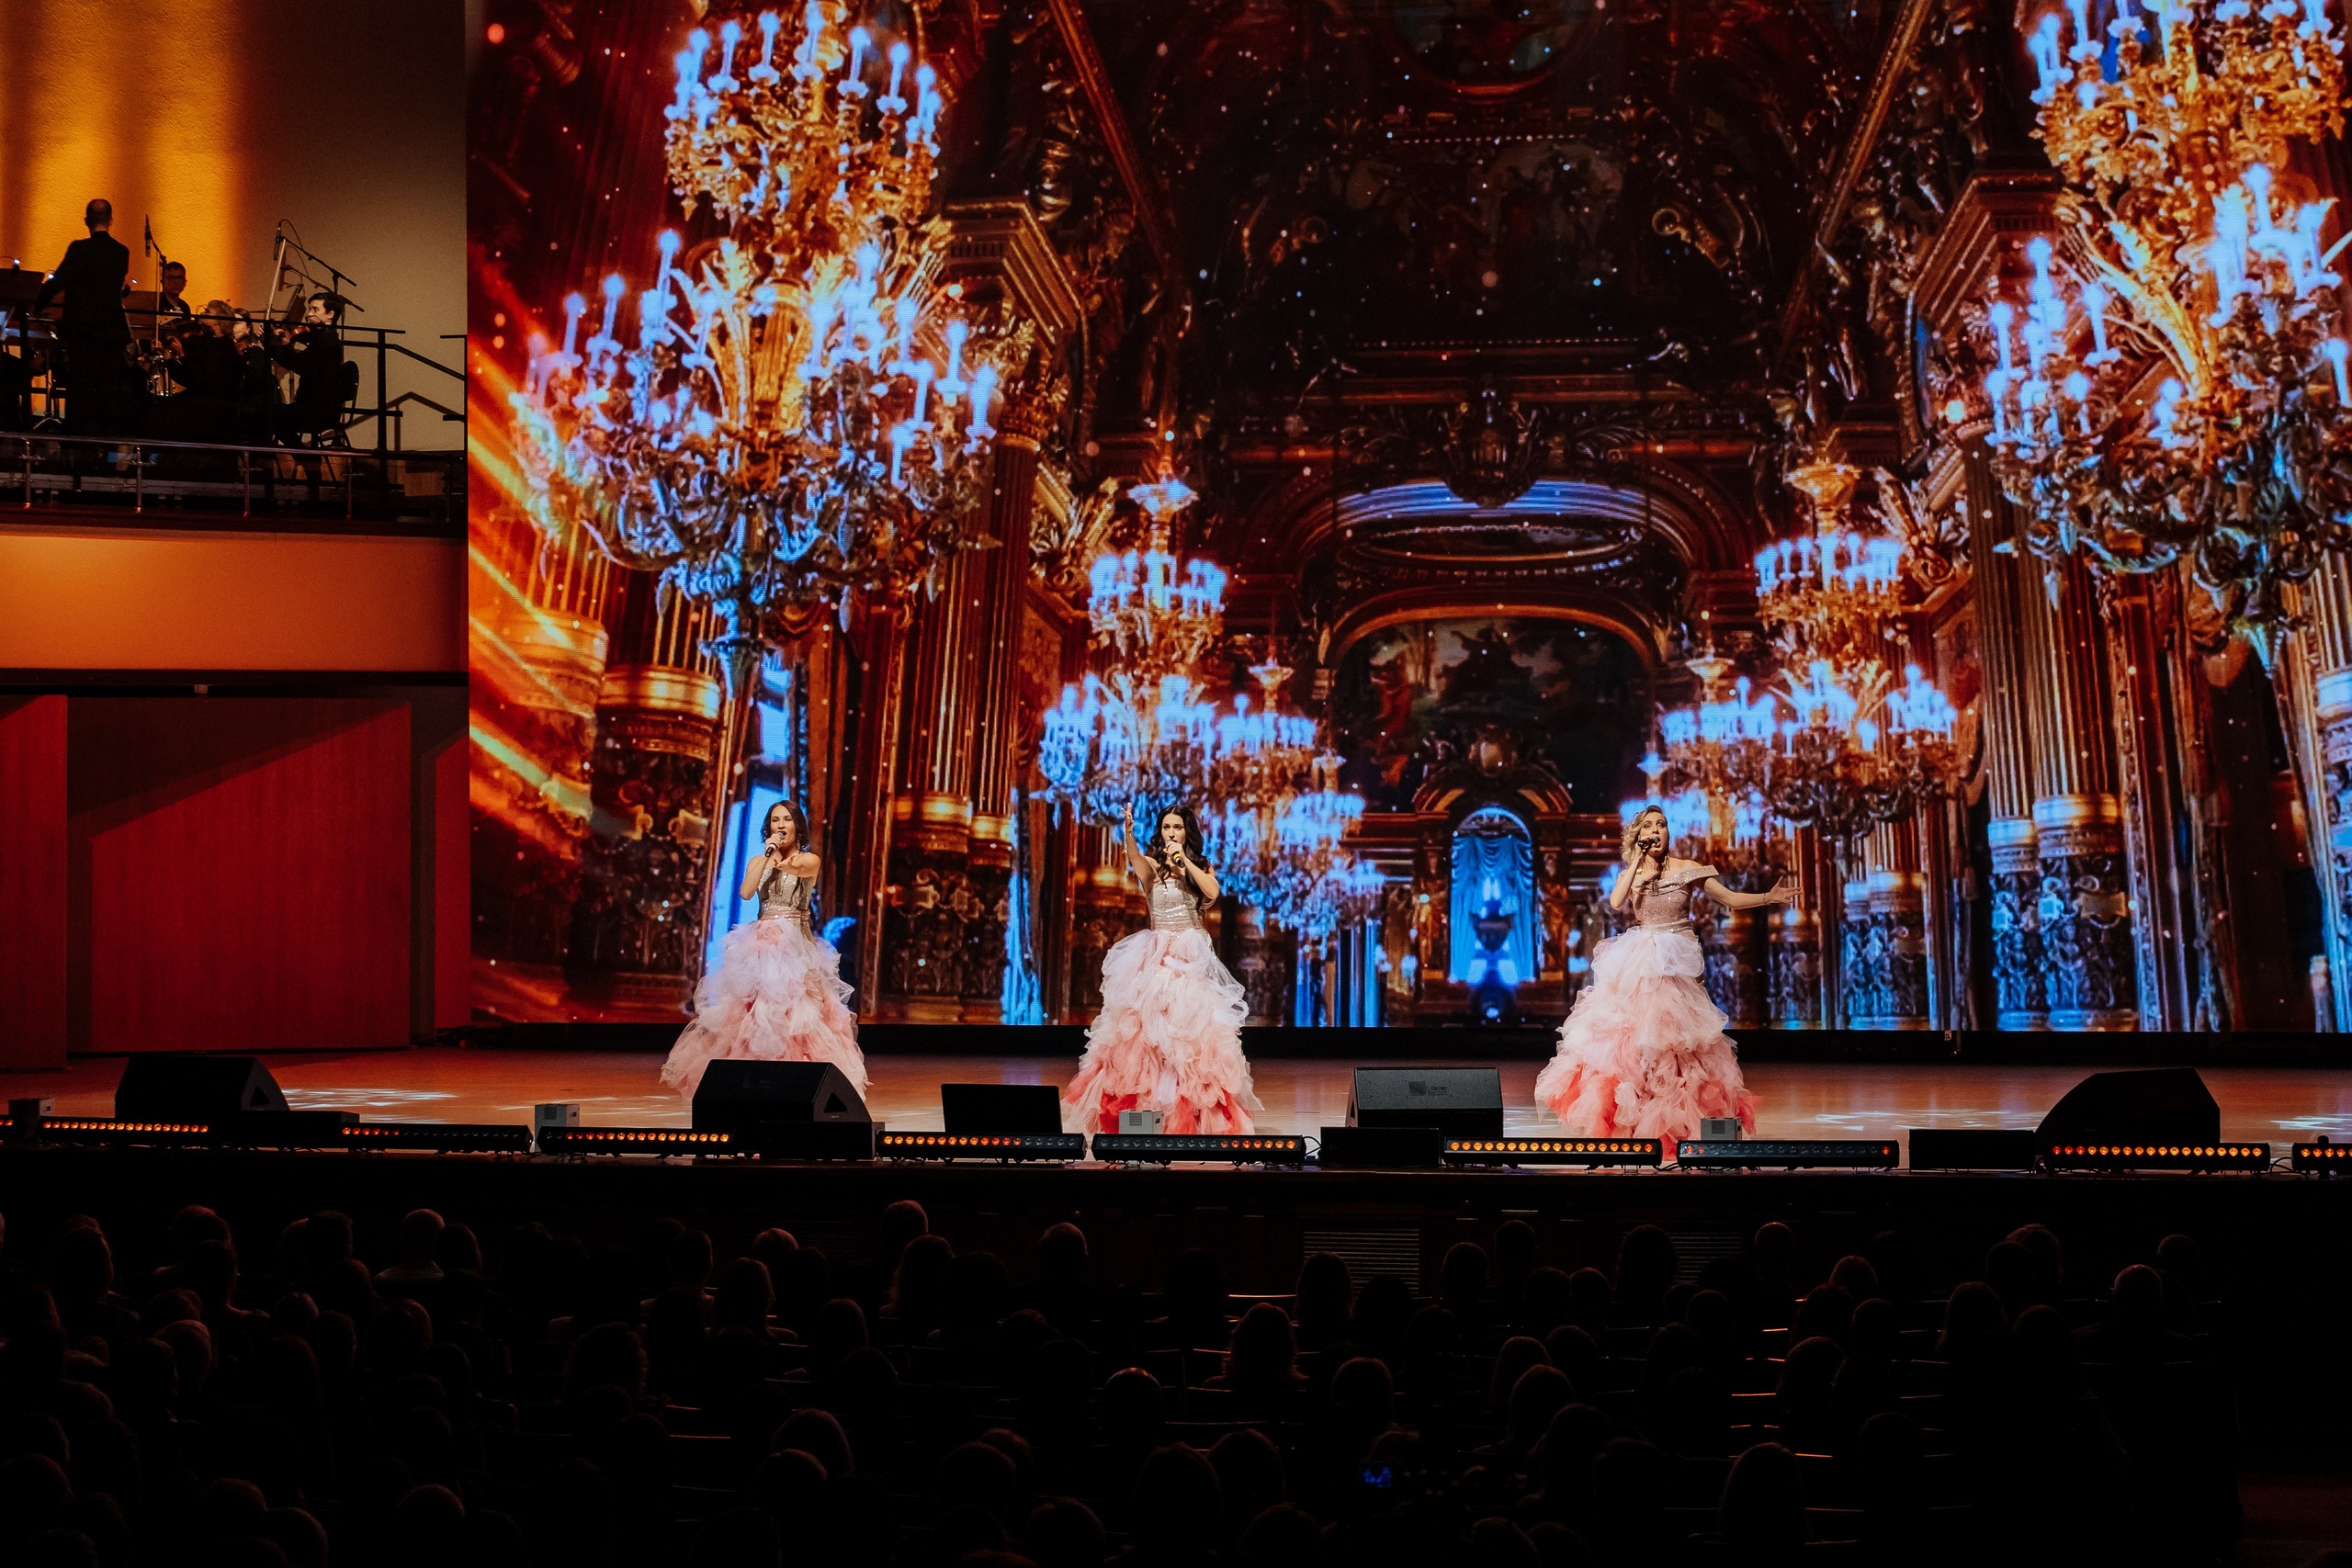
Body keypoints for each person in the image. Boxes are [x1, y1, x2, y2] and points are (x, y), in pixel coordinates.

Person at [1533, 802, 1794, 1152]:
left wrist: (1768, 897)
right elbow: (1615, 902)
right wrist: (1636, 862)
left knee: (1677, 1046)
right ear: (1639, 835)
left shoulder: (1687, 869)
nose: (1655, 831)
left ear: (1669, 833)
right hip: (1640, 960)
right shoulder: (1634, 872)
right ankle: (1636, 1122)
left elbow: (1727, 897)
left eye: (1661, 825)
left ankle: (1676, 1123)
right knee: (1633, 1043)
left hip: (1676, 962)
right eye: (1648, 826)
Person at [1062, 802, 1260, 1134]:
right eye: (1167, 827)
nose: (1171, 832)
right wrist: (1128, 834)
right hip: (1157, 956)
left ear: (1187, 833)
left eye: (1177, 827)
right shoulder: (1153, 868)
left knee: (1191, 1038)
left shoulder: (1199, 867)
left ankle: (1192, 1117)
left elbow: (1212, 892)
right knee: (1148, 1036)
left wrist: (1185, 864)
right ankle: (1148, 1114)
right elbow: (1136, 862)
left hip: (1190, 959)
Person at [660, 799, 865, 1100]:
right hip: (762, 942)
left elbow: (796, 868)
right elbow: (745, 892)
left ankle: (800, 1088)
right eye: (775, 820)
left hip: (795, 942)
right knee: (755, 1013)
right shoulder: (759, 860)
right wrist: (766, 857)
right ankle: (752, 1087)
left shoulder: (811, 860)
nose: (780, 825)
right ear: (768, 827)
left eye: (787, 820)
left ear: (798, 825)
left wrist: (778, 859)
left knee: (800, 1014)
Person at [32, 197, 132, 434]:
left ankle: (79, 449)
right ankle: (108, 446)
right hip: (112, 331)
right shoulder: (121, 252)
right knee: (108, 389)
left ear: (86, 221)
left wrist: (38, 305)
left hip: (85, 331)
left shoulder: (79, 249)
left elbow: (60, 280)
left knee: (81, 389)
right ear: (111, 220)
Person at [269, 289, 347, 444]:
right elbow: (293, 363)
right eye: (310, 309)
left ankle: (305, 457)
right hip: (309, 406)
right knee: (270, 413)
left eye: (315, 309)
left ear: (330, 314)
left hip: (318, 410)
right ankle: (304, 457)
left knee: (269, 414)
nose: (310, 314)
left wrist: (285, 346)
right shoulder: (320, 339)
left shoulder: (327, 342)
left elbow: (302, 367)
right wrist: (273, 343)